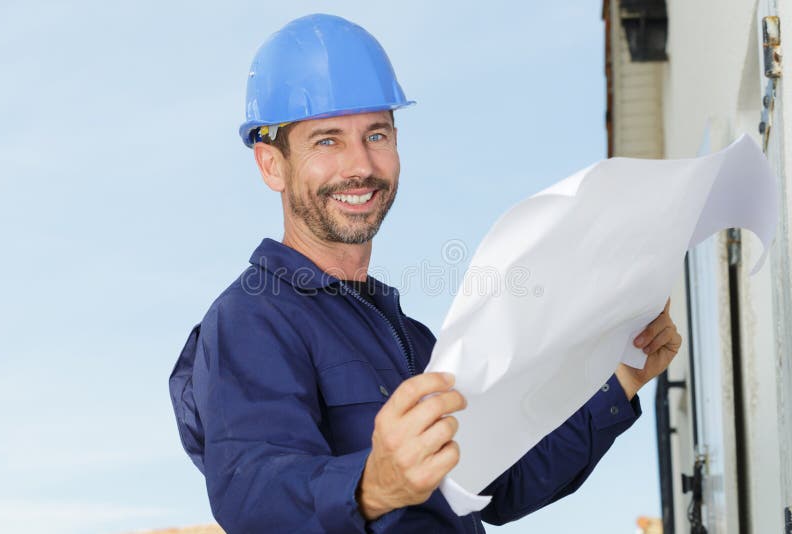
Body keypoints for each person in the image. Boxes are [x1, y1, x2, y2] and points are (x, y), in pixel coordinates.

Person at [169, 13, 682, 533]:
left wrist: (619, 382)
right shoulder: (251, 320)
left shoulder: (412, 339)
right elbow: (254, 491)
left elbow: (494, 483)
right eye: (327, 140)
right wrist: (371, 486)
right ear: (271, 165)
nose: (360, 165)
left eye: (376, 134)